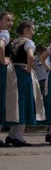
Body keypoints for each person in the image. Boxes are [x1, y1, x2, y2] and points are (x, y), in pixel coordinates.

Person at [4, 21, 45, 146]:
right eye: (32, 29)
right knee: (24, 103)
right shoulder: (28, 42)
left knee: (16, 103)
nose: (34, 32)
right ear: (26, 29)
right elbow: (31, 57)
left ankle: (12, 135)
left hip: (13, 73)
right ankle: (19, 137)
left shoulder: (14, 42)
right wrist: (29, 69)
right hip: (23, 73)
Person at [0, 12, 15, 147]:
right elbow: (1, 46)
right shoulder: (4, 33)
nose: (10, 23)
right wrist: (3, 59)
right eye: (7, 20)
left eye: (12, 21)